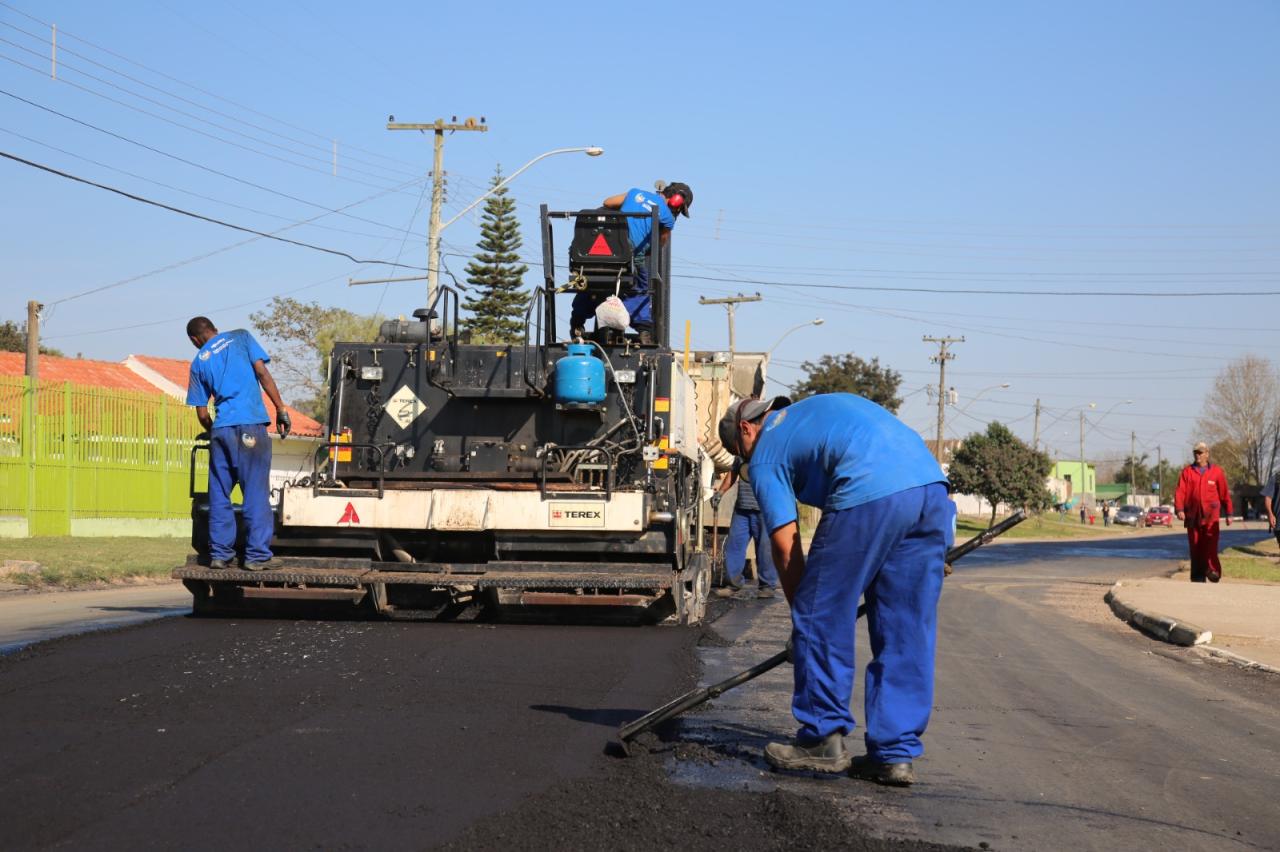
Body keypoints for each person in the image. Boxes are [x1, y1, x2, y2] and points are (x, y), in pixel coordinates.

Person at [718, 393, 951, 787]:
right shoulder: (812, 413)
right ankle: (893, 754)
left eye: (739, 454)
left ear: (746, 429)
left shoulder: (766, 449)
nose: (746, 464)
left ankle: (822, 736)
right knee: (905, 627)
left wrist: (804, 623)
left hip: (871, 490)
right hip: (931, 488)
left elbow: (785, 544)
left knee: (820, 609)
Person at [185, 316, 291, 571]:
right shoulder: (241, 337)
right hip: (251, 426)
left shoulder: (198, 362)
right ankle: (256, 557)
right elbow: (262, 373)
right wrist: (281, 408)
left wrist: (216, 432)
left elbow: (202, 414)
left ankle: (220, 555)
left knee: (220, 494)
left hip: (221, 430)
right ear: (214, 329)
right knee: (254, 492)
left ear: (194, 340)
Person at [569, 182, 692, 342]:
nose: (677, 213)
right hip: (627, 255)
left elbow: (607, 202)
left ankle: (577, 323)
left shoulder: (635, 193)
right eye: (679, 210)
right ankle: (644, 331)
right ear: (676, 201)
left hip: (594, 255)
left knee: (590, 282)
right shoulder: (668, 218)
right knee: (640, 286)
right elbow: (660, 244)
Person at [711, 458, 779, 600]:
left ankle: (767, 586)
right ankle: (733, 585)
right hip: (742, 509)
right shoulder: (741, 453)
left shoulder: (769, 451)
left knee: (765, 549)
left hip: (765, 509)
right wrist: (721, 492)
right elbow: (733, 472)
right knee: (734, 546)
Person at [1174, 441, 1231, 583]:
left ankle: (1213, 570)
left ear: (1207, 453)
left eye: (1200, 452)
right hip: (1193, 516)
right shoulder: (1187, 472)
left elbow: (1224, 493)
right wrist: (1179, 509)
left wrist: (1229, 512)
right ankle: (1198, 575)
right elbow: (1180, 491)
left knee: (1211, 544)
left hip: (1211, 516)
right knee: (1195, 546)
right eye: (1195, 453)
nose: (1197, 455)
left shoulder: (1216, 472)